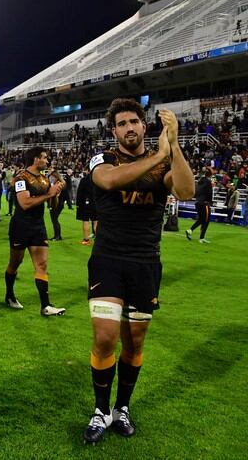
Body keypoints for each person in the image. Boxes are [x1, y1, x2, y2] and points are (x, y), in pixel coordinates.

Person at [82, 100, 193, 444]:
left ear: (145, 127)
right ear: (113, 131)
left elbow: (186, 191)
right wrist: (159, 156)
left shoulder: (165, 163)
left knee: (135, 341)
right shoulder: (103, 160)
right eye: (122, 123)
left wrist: (173, 146)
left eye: (134, 122)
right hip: (108, 260)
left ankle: (122, 408)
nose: (129, 128)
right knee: (104, 337)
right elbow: (112, 181)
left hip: (146, 262)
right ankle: (101, 411)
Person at [3, 147, 66, 316]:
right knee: (15, 263)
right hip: (20, 227)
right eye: (45, 158)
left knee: (42, 265)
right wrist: (48, 194)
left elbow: (51, 205)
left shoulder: (45, 179)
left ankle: (46, 306)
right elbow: (24, 203)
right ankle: (9, 295)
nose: (47, 161)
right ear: (36, 159)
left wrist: (56, 193)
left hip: (38, 227)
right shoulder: (20, 178)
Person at [186, 167, 214, 243]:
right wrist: (210, 202)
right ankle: (202, 238)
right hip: (204, 203)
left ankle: (190, 230)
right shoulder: (208, 182)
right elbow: (209, 193)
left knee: (201, 219)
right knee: (206, 220)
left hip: (198, 202)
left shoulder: (199, 181)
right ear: (210, 174)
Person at [76, 167, 98, 245]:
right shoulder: (98, 180)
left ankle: (86, 240)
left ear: (88, 170)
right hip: (96, 203)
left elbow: (79, 193)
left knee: (86, 222)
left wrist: (78, 204)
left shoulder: (84, 180)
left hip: (86, 203)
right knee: (96, 222)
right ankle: (99, 240)